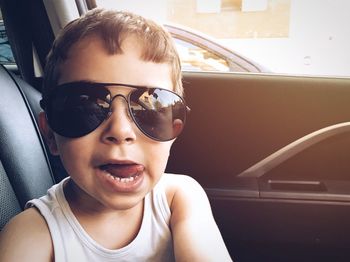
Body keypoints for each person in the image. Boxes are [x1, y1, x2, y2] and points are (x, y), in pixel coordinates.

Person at [0, 8, 232, 262]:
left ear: (173, 134)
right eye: (85, 106)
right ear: (51, 134)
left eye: (149, 109)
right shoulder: (32, 234)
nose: (121, 131)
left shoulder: (179, 198)